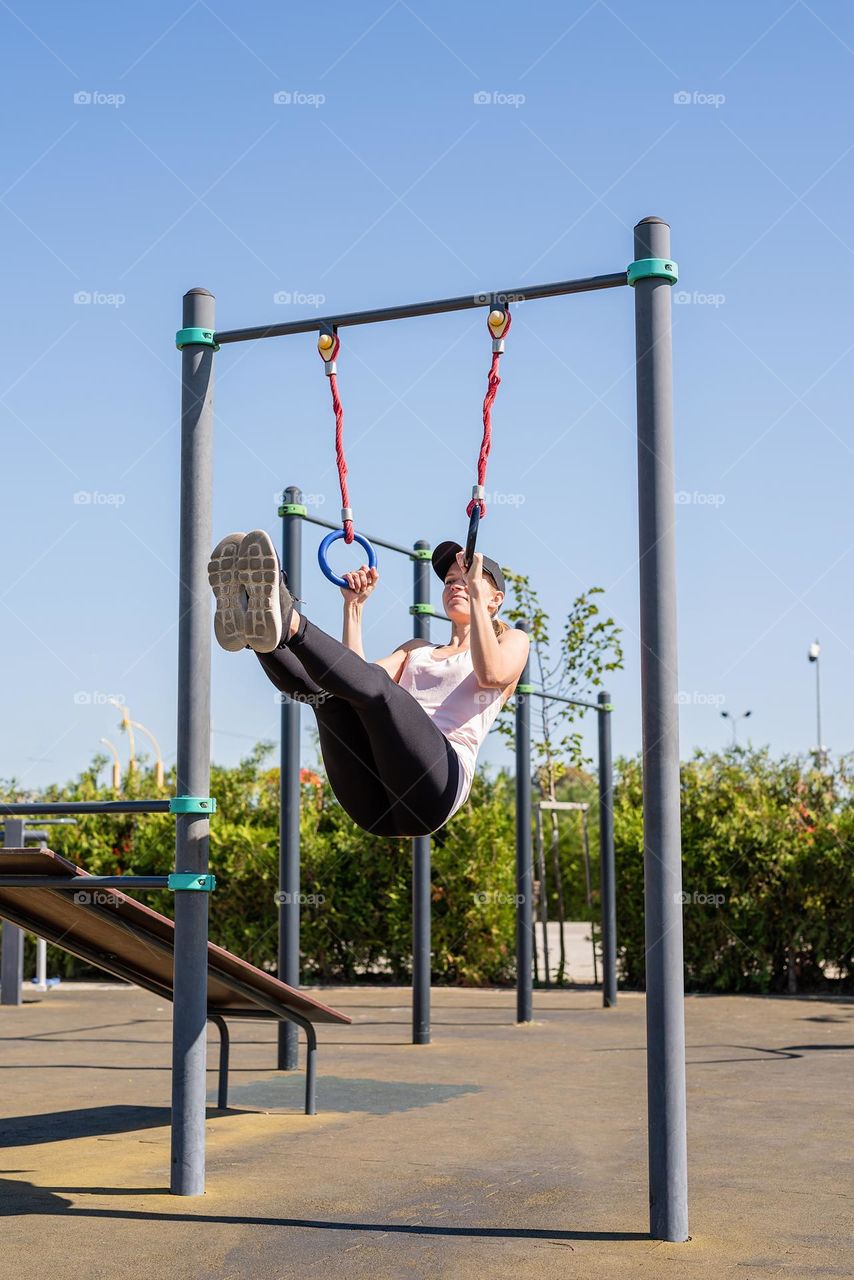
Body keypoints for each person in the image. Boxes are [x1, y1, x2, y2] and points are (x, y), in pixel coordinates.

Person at [207, 529, 529, 837]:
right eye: (450, 581)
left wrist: (474, 596)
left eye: (467, 579)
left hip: (436, 788)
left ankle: (286, 616)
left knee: (384, 695)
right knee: (332, 701)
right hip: (373, 804)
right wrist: (353, 607)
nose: (456, 585)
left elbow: (491, 674)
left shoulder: (513, 640)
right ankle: (255, 628)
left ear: (495, 599)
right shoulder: (417, 649)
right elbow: (353, 681)